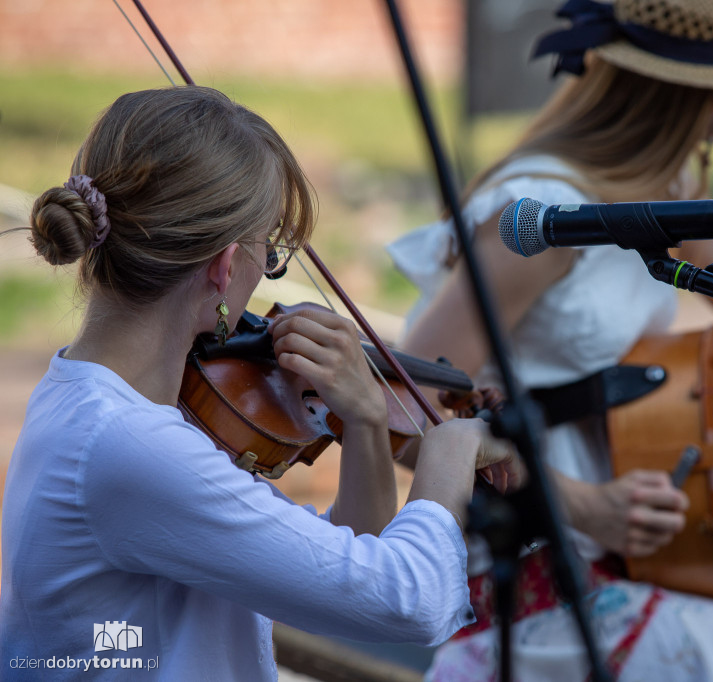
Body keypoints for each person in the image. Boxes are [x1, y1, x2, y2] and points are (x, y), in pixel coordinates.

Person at [387, 0, 713, 679]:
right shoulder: (543, 218)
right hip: (540, 591)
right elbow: (403, 411)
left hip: (637, 570)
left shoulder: (659, 188)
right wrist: (581, 504)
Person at [0, 85, 523, 681]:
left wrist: (367, 420)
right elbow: (411, 603)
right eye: (269, 253)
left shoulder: (89, 400)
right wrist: (451, 450)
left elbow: (347, 572)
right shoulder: (130, 447)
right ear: (224, 267)